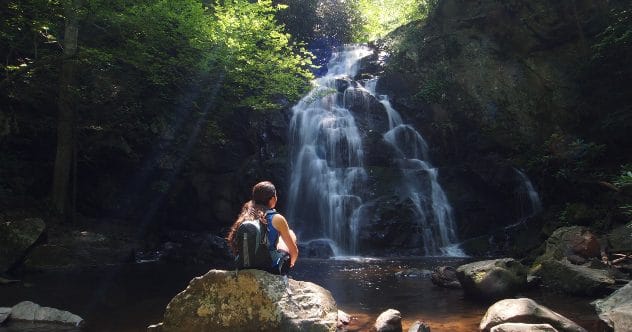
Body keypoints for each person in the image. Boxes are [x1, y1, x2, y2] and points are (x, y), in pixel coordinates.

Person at [227, 181, 298, 274]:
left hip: (243, 265)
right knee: (291, 234)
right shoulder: (277, 218)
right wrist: (291, 263)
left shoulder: (246, 215)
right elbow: (294, 252)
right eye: (275, 196)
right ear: (272, 199)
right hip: (269, 267)